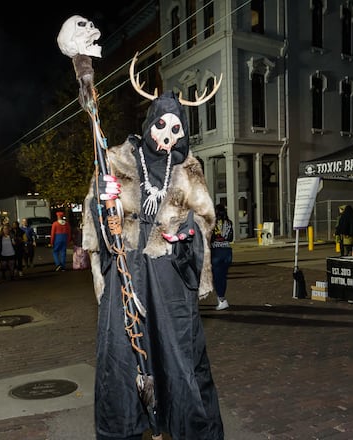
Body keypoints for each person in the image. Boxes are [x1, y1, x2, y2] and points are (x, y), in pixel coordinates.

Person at [82, 91, 223, 439]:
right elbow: (99, 228)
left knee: (179, 361)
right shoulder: (114, 160)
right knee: (121, 363)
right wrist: (103, 201)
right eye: (162, 125)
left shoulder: (189, 168)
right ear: (149, 124)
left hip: (168, 278)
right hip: (125, 276)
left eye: (177, 129)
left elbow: (206, 219)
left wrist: (186, 231)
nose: (168, 135)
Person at [211, 203, 234, 311]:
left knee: (216, 277)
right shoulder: (229, 223)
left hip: (216, 250)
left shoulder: (212, 223)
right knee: (223, 277)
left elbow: (210, 238)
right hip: (227, 251)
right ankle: (222, 298)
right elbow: (230, 238)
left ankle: (221, 299)